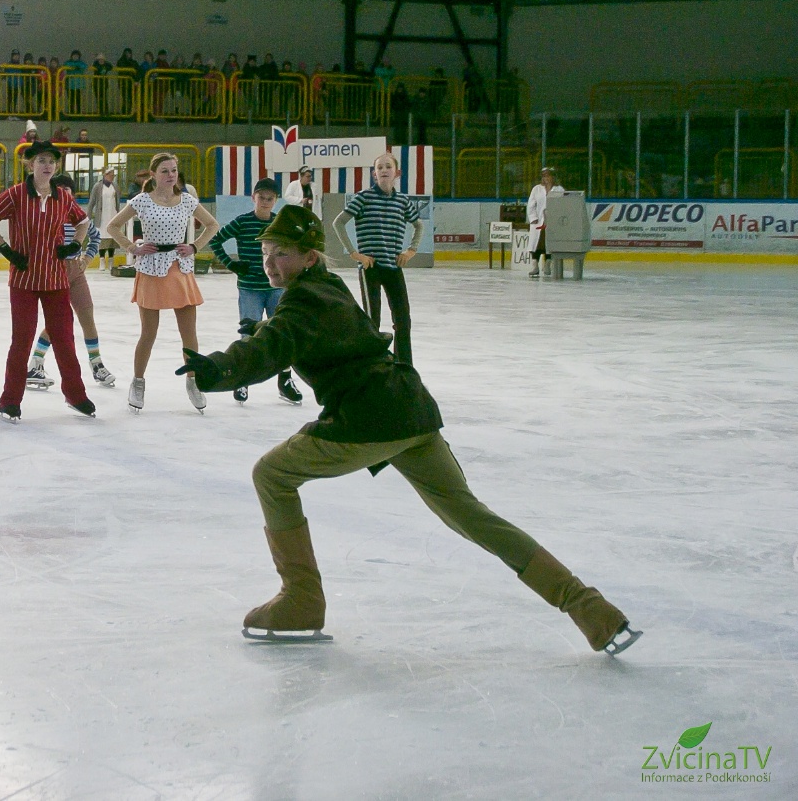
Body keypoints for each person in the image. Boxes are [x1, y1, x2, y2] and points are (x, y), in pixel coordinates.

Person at [174, 205, 641, 654]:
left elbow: (272, 347)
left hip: (368, 418)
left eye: (282, 253)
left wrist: (218, 369)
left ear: (310, 257)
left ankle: (301, 600)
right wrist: (254, 338)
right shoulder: (327, 286)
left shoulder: (303, 300)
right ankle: (591, 609)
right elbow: (290, 336)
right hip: (410, 410)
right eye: (266, 252)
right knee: (472, 516)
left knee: (271, 474)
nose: (270, 262)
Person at [0, 140, 94, 422]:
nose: (47, 166)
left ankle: (76, 395)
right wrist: (6, 249)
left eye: (52, 161)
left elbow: (82, 222)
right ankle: (10, 400)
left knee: (65, 340)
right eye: (42, 160)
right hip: (24, 281)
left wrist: (75, 245)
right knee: (21, 341)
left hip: (56, 280)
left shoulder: (63, 197)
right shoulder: (16, 194)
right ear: (30, 164)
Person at [105, 152, 219, 414]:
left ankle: (193, 381)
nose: (171, 175)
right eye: (165, 171)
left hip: (180, 268)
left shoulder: (187, 200)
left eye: (174, 170)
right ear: (154, 174)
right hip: (151, 268)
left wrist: (194, 246)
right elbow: (113, 226)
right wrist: (132, 247)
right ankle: (138, 382)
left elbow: (212, 225)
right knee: (149, 333)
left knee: (189, 334)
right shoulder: (143, 200)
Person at [208, 178, 302, 405]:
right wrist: (231, 264)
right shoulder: (242, 222)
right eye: (261, 197)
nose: (265, 202)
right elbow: (215, 240)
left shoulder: (279, 223)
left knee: (283, 332)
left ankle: (285, 380)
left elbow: (294, 248)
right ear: (253, 198)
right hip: (250, 288)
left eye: (270, 198)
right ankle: (242, 378)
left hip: (277, 287)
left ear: (276, 200)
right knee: (248, 333)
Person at [332, 151, 422, 367]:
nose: (384, 170)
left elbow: (418, 225)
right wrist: (354, 253)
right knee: (372, 320)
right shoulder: (363, 197)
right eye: (379, 167)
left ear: (397, 172)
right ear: (374, 174)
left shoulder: (402, 201)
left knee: (403, 320)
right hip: (370, 267)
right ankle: (373, 363)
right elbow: (338, 223)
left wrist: (411, 250)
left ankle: (404, 365)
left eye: (388, 166)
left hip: (393, 266)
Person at [26, 218, 116, 391]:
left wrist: (87, 260)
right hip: (55, 272)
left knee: (87, 316)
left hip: (76, 271)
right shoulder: (51, 216)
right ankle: (35, 363)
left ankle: (96, 364)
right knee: (58, 320)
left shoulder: (80, 217)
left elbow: (95, 236)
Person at [526, 167, 563, 279]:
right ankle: (535, 266)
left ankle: (547, 264)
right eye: (544, 176)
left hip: (552, 221)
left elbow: (562, 205)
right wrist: (533, 218)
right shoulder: (536, 189)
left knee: (549, 243)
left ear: (553, 177)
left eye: (548, 175)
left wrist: (556, 218)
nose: (546, 178)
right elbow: (531, 205)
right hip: (538, 221)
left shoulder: (559, 190)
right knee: (536, 244)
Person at [85, 166, 119, 269]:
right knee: (102, 237)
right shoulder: (97, 186)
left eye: (113, 175)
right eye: (110, 175)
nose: (112, 177)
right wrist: (88, 217)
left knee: (112, 237)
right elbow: (91, 202)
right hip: (102, 216)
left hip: (113, 214)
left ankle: (111, 260)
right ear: (105, 175)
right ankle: (102, 260)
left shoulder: (115, 186)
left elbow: (117, 201)